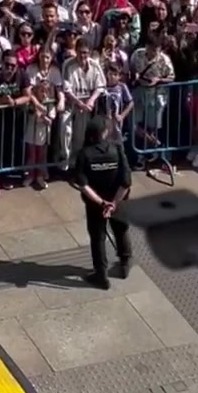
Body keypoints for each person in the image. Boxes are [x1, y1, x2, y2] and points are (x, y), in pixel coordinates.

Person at [71, 114, 132, 290]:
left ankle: (101, 274)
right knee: (121, 230)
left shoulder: (84, 154)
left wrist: (101, 203)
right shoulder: (117, 150)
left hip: (95, 204)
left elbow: (82, 184)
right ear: (105, 132)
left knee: (98, 237)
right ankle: (125, 261)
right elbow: (126, 182)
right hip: (118, 200)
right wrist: (113, 203)